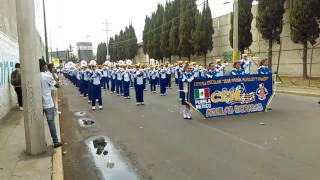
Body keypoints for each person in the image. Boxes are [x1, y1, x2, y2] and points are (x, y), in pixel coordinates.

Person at [39, 58, 62, 148]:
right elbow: (57, 85)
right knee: (51, 122)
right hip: (48, 103)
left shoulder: (34, 76)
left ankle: (41, 142)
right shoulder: (46, 76)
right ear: (43, 66)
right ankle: (55, 142)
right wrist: (52, 73)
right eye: (45, 65)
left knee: (39, 124)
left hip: (38, 105)